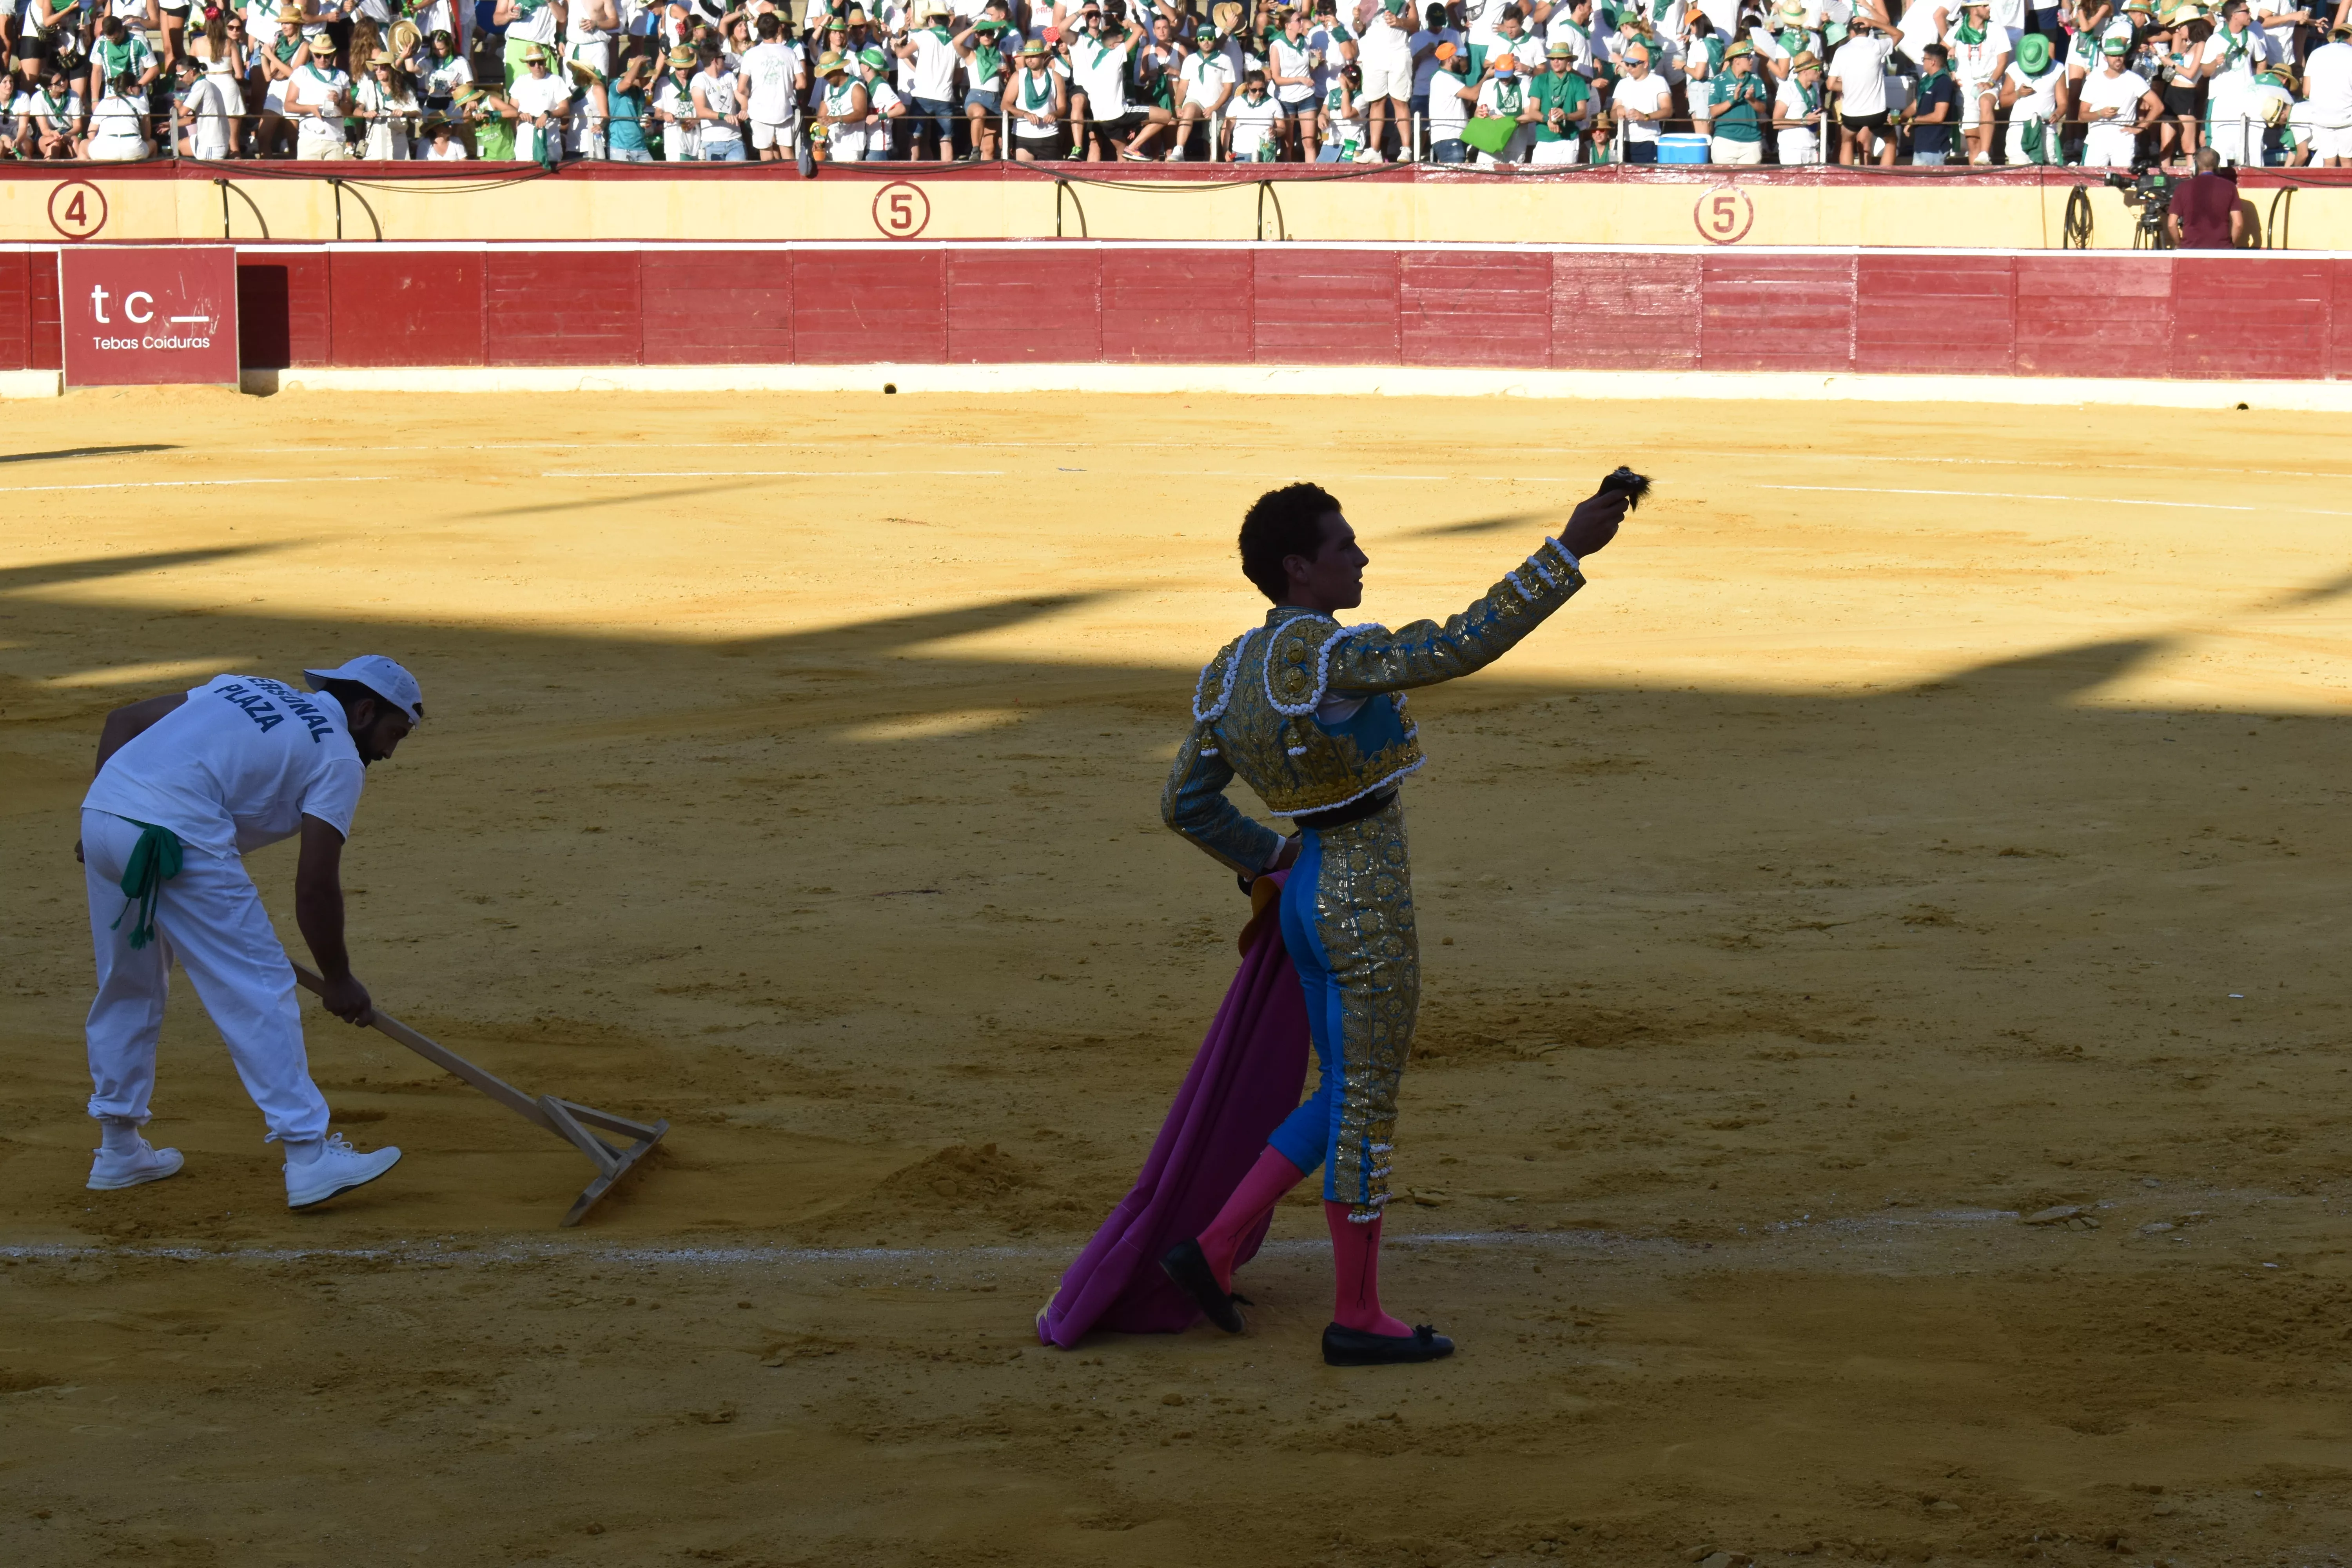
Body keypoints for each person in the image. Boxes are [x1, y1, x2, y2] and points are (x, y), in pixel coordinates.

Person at [1156, 481, 1631, 1368]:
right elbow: (1459, 644)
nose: (1361, 557)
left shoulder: (1228, 676)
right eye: (1345, 545)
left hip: (1304, 894)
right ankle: (1357, 1313)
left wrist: (1272, 859)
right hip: (1362, 891)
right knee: (1367, 1103)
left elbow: (1184, 804)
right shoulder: (1331, 660)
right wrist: (1564, 553)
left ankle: (1214, 1247)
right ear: (1300, 568)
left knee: (1339, 1091)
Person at [77, 658, 422, 1211]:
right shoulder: (337, 755)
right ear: (363, 711)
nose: (389, 752)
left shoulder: (246, 686)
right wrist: (339, 979)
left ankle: (119, 1148)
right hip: (178, 832)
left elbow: (124, 720)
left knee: (128, 982)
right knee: (257, 984)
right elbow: (314, 886)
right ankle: (309, 1157)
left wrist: (107, 818)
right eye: (394, 733)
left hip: (105, 814)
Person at [2080, 30, 2157, 164]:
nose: (2118, 59)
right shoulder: (2094, 79)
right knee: (2093, 182)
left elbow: (2158, 106)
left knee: (2123, 181)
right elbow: (2082, 116)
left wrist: (2140, 128)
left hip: (2123, 140)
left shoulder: (2135, 80)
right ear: (2106, 58)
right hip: (2097, 139)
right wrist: (2100, 113)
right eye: (2113, 55)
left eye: (2120, 55)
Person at [1828, 11, 1894, 162]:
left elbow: (1830, 85)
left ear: (1851, 32)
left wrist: (1849, 86)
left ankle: (1848, 180)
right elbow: (1898, 34)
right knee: (1891, 142)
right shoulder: (1876, 46)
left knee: (1847, 142)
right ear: (1868, 29)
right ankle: (1886, 181)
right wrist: (1874, 22)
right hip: (1876, 112)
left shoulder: (1841, 51)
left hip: (1851, 113)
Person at [1947, 0, 2007, 163]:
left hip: (1988, 83)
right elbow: (1942, 51)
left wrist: (1992, 83)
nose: (1989, 8)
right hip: (1965, 88)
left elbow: (2003, 61)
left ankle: (1985, 153)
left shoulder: (1996, 30)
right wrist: (1951, 71)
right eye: (1984, 5)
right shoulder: (1958, 29)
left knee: (1986, 102)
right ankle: (1977, 178)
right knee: (1973, 142)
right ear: (1973, 10)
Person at [740, 10, 804, 160]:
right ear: (779, 29)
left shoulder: (751, 54)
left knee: (766, 155)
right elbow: (802, 84)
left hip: (760, 112)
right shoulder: (789, 53)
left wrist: (752, 93)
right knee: (788, 154)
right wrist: (786, 86)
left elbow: (741, 88)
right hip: (784, 110)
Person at [1357, 0, 1413, 158]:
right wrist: (1357, 19)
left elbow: (1415, 23)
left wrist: (1400, 21)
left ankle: (1406, 149)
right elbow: (1359, 28)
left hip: (1399, 53)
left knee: (1400, 101)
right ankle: (1375, 150)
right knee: (1376, 101)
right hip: (1374, 55)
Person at [1701, 35, 1769, 160]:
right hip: (1725, 141)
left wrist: (1751, 99)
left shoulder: (1756, 80)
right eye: (1748, 57)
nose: (1752, 60)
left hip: (1752, 142)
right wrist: (1733, 100)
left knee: (1749, 180)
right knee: (1723, 180)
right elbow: (1713, 112)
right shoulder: (1719, 81)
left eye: (1752, 57)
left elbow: (1763, 109)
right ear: (1736, 60)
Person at [1998, 26, 2061, 160]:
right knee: (2017, 173)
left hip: (2046, 129)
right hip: (2018, 129)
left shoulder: (2057, 68)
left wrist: (2057, 114)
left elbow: (2064, 103)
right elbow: (2003, 101)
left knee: (2046, 174)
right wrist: (2018, 94)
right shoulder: (2014, 69)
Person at [1172, 21, 1232, 160]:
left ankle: (1211, 163)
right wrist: (1177, 106)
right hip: (1196, 101)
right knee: (1189, 110)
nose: (1206, 42)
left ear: (1215, 40)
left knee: (1211, 144)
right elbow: (1182, 87)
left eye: (1210, 38)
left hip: (1217, 104)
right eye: (1202, 38)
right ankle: (1179, 149)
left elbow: (1228, 89)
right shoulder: (1190, 60)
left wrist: (1214, 107)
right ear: (1197, 41)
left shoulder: (1225, 60)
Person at [1530, 36, 1592, 160]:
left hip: (1568, 139)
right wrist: (1548, 119)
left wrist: (1565, 116)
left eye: (1560, 58)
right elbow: (1533, 111)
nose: (1556, 61)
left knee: (1566, 179)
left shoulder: (1578, 82)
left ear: (1568, 60)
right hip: (1544, 139)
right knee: (1539, 179)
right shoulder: (1540, 80)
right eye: (1553, 58)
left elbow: (1583, 112)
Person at [2167, 143, 2246, 241]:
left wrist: (2179, 245)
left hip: (2190, 250)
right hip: (2222, 250)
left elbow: (2171, 224)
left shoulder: (2182, 188)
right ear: (2217, 166)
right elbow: (2238, 224)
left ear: (2195, 165)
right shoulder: (2230, 187)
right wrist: (2230, 246)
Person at [1005, 36, 1064, 159]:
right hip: (1023, 135)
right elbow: (1005, 105)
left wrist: (1055, 114)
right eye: (1027, 57)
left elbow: (1063, 107)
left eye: (1033, 56)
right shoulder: (1018, 76)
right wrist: (1025, 114)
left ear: (1043, 56)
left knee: (1051, 178)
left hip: (1050, 135)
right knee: (1024, 177)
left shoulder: (1056, 77)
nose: (1029, 60)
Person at [1612, 37, 1670, 159]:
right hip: (1623, 141)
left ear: (1646, 64)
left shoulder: (1659, 81)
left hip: (1649, 141)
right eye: (1627, 64)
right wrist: (1618, 111)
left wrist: (1645, 117)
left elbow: (1668, 110)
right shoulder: (1622, 84)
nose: (1629, 68)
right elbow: (1612, 117)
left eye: (1633, 65)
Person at [2305, 20, 2352, 167]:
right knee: (2347, 162)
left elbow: (2306, 91)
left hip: (2321, 118)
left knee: (2328, 163)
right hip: (2348, 118)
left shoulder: (2315, 54)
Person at [1906, 40, 1958, 162]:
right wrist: (1900, 118)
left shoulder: (1943, 83)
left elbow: (1939, 116)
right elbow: (1915, 105)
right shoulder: (1925, 82)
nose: (1923, 62)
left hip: (1935, 147)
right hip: (1922, 145)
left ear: (1933, 62)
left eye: (1924, 59)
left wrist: (1914, 120)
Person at [1774, 44, 1825, 159]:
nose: (1820, 72)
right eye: (1817, 69)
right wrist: (1804, 121)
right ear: (1805, 71)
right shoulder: (1788, 88)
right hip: (1793, 150)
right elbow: (1776, 122)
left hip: (1813, 148)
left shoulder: (1814, 89)